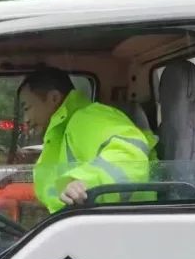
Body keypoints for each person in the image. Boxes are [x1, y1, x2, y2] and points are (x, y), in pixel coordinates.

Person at [18, 67, 157, 213]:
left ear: (53, 98)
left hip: (121, 221)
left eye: (27, 108)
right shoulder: (59, 136)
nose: (26, 120)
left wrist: (84, 183)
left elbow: (131, 154)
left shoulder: (87, 119)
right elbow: (53, 193)